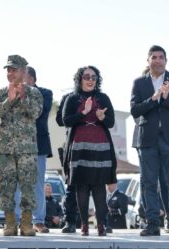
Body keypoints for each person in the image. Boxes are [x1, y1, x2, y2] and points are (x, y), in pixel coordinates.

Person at [130, 45, 169, 237]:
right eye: (153, 57)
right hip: (147, 139)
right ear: (148, 61)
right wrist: (153, 99)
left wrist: (166, 96)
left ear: (166, 60)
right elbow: (135, 110)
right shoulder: (139, 83)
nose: (157, 60)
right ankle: (152, 223)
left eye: (161, 57)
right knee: (148, 182)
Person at [0, 54, 42, 236]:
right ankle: (10, 223)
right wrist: (10, 99)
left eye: (14, 70)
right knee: (6, 186)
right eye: (8, 70)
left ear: (23, 71)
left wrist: (22, 98)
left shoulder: (34, 93)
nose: (10, 73)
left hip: (27, 150)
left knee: (28, 186)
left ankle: (27, 223)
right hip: (5, 149)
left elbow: (36, 113)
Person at [62, 65, 117, 236]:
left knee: (99, 186)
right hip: (79, 146)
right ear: (80, 79)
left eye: (93, 77)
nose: (90, 80)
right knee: (82, 186)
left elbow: (111, 122)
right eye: (86, 77)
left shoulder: (103, 97)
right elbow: (65, 121)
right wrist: (84, 112)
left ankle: (101, 225)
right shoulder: (72, 98)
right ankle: (84, 224)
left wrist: (102, 117)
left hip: (100, 145)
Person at [14, 66, 53, 233]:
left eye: (22, 77)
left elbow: (39, 113)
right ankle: (17, 221)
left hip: (38, 144)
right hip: (18, 145)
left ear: (32, 79)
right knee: (17, 184)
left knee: (37, 183)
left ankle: (38, 220)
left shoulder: (45, 93)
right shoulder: (13, 92)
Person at [56, 92, 79, 233]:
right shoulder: (68, 98)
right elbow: (60, 120)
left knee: (96, 185)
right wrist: (80, 115)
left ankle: (103, 222)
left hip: (93, 144)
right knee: (71, 185)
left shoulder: (98, 96)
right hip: (72, 145)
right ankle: (70, 221)